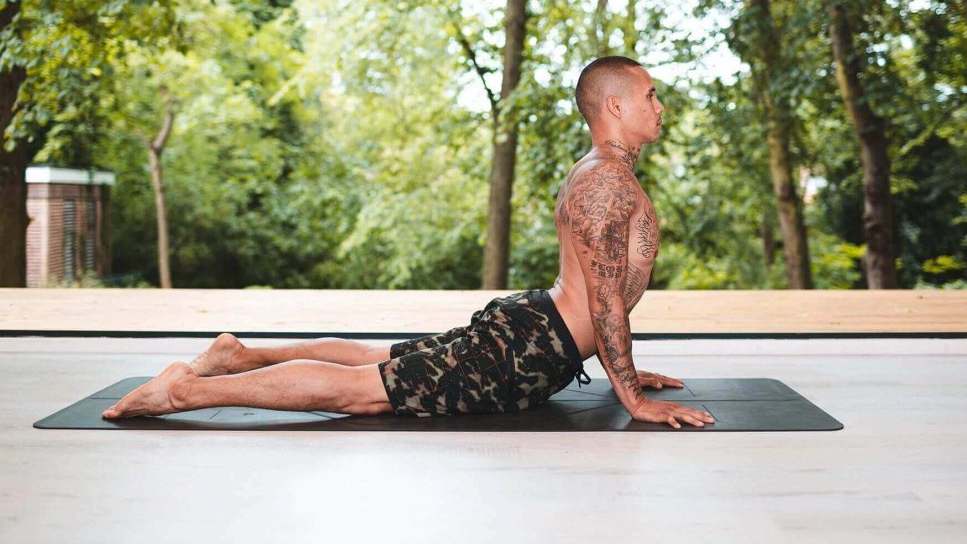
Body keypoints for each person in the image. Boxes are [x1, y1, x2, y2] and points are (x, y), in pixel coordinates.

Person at [102, 56, 715, 429]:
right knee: (365, 394)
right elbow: (604, 301)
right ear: (614, 104)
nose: (660, 106)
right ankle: (183, 391)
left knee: (380, 359)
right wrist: (631, 395)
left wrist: (621, 368)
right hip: (530, 346)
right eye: (650, 95)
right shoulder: (607, 183)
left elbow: (597, 296)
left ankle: (235, 356)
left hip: (539, 333)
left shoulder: (605, 173)